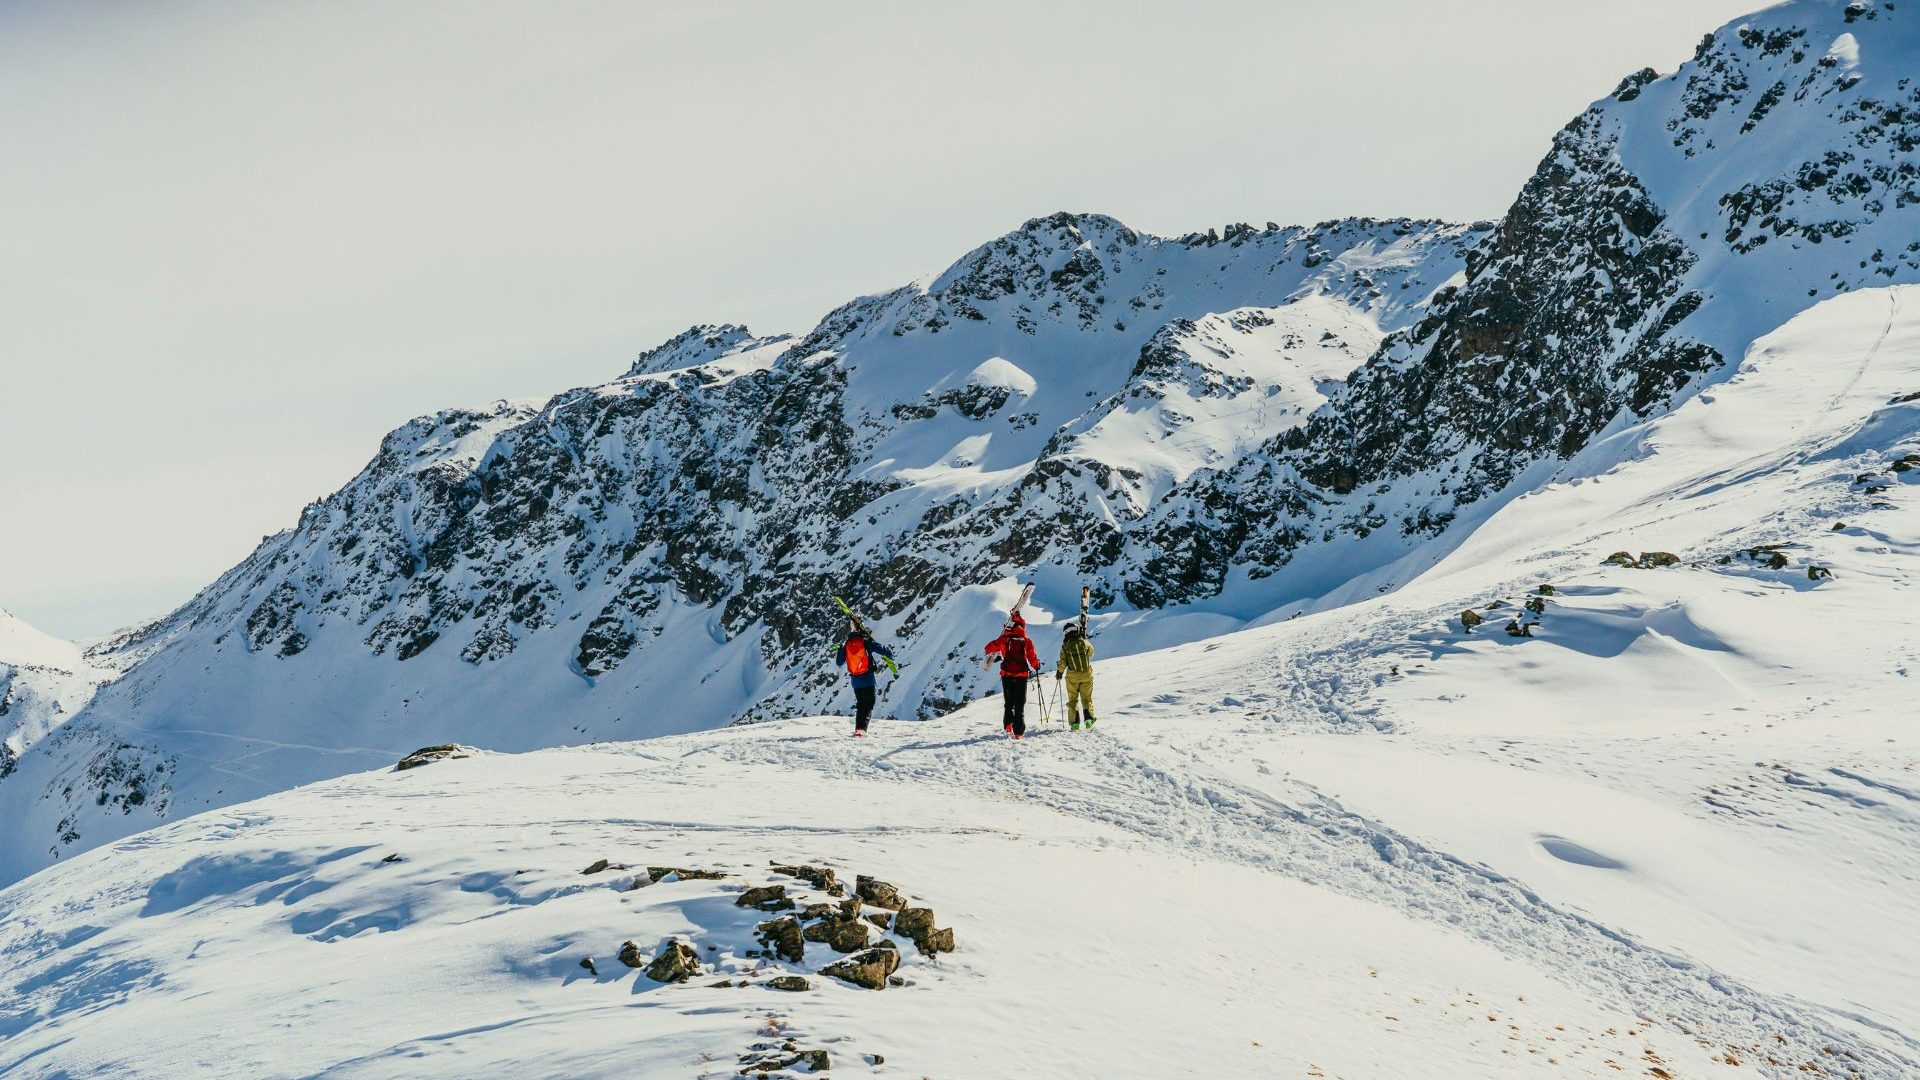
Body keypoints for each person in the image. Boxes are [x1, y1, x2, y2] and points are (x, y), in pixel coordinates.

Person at [983, 612, 1040, 739]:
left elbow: (988, 648)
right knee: (1020, 703)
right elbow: (1032, 657)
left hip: (1007, 675)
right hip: (1021, 675)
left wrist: (993, 653)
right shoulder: (1026, 640)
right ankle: (1019, 732)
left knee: (1009, 702)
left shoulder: (1004, 639)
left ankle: (1008, 725)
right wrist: (1037, 666)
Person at [835, 626, 894, 737]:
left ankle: (859, 729)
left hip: (855, 681)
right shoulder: (866, 643)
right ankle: (861, 731)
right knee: (868, 704)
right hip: (867, 679)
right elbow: (883, 651)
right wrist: (890, 655)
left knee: (861, 705)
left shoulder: (847, 645)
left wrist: (840, 649)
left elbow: (839, 662)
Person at [1057, 623, 1096, 730]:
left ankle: (1075, 723)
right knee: (1086, 698)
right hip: (1086, 673)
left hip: (1072, 676)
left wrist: (1059, 673)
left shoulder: (1065, 646)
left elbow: (1062, 663)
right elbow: (1091, 653)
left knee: (1073, 699)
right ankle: (1089, 720)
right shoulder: (1084, 642)